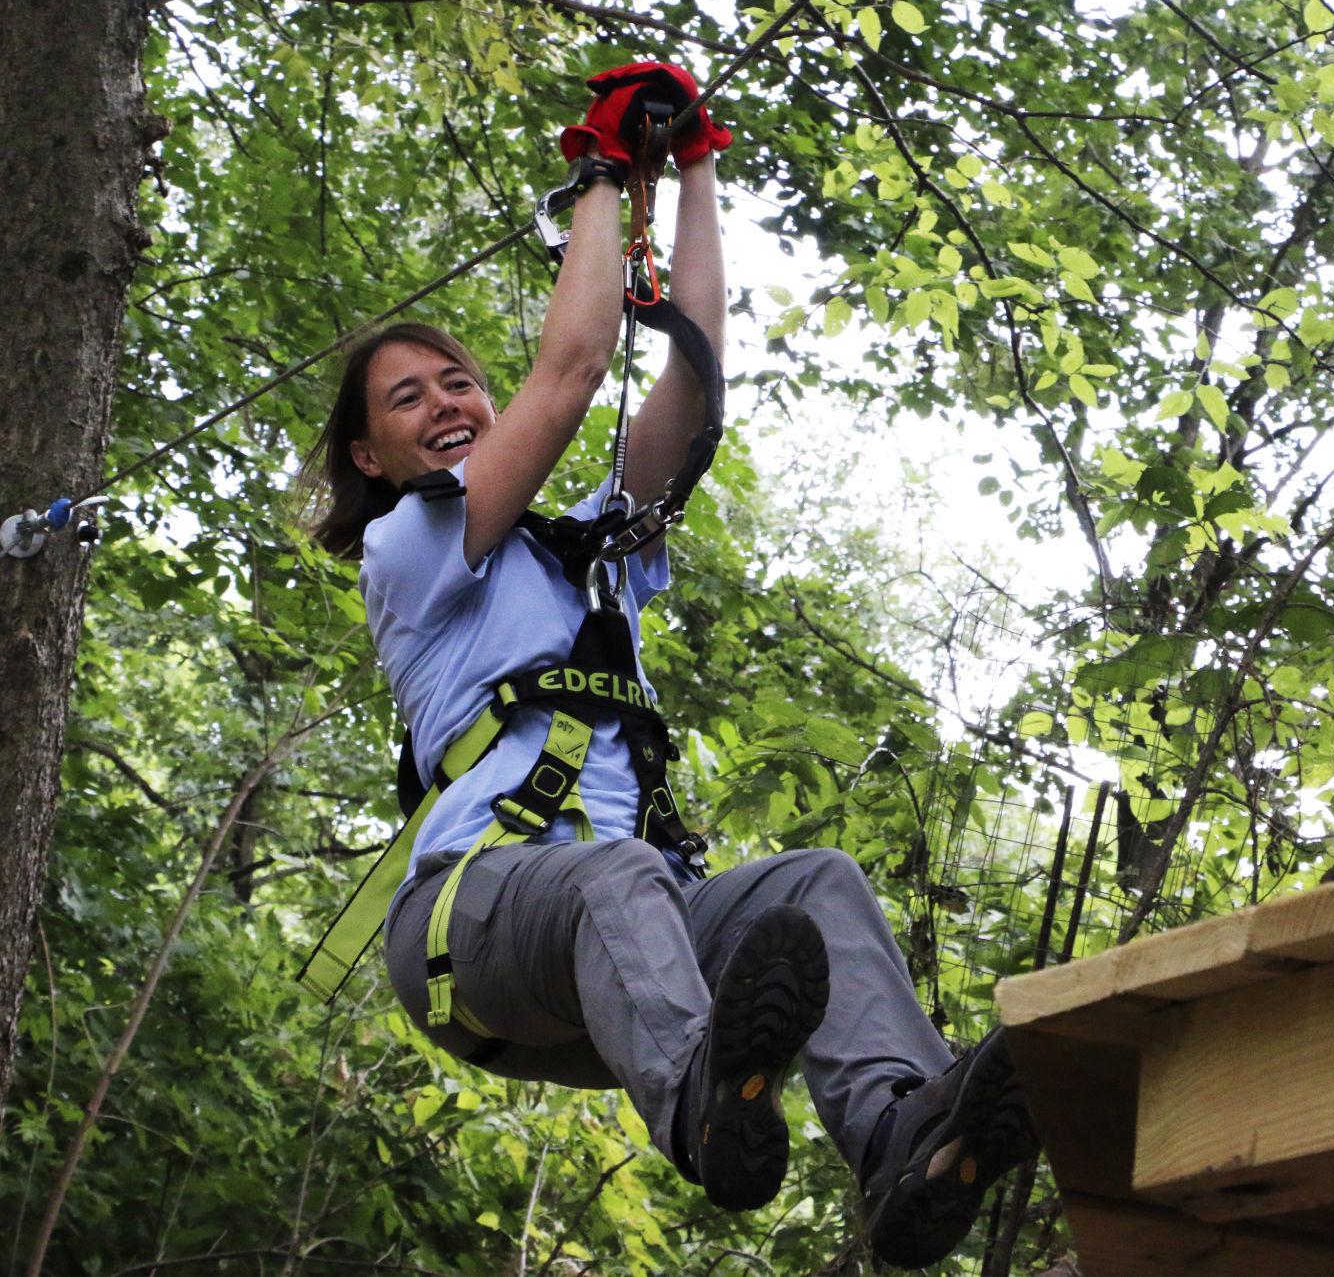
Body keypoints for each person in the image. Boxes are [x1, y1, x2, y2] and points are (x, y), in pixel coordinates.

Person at [305, 62, 1037, 1268]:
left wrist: (695, 170)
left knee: (818, 885)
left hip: (623, 971)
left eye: (458, 381)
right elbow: (574, 368)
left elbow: (690, 391)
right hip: (474, 924)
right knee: (615, 872)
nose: (445, 400)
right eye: (405, 398)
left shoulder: (594, 550)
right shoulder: (412, 546)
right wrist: (602, 174)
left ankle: (905, 1136)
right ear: (372, 458)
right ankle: (709, 1099)